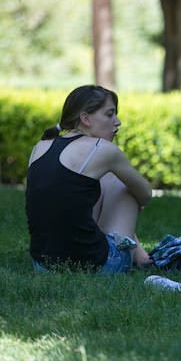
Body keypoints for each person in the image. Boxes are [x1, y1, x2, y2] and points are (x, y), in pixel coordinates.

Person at [26, 85, 153, 273]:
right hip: (97, 266)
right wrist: (129, 205)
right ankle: (141, 259)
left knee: (90, 185)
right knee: (122, 185)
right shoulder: (102, 149)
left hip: (43, 266)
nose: (117, 122)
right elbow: (145, 195)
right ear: (85, 118)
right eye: (110, 114)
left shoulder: (41, 147)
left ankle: (143, 259)